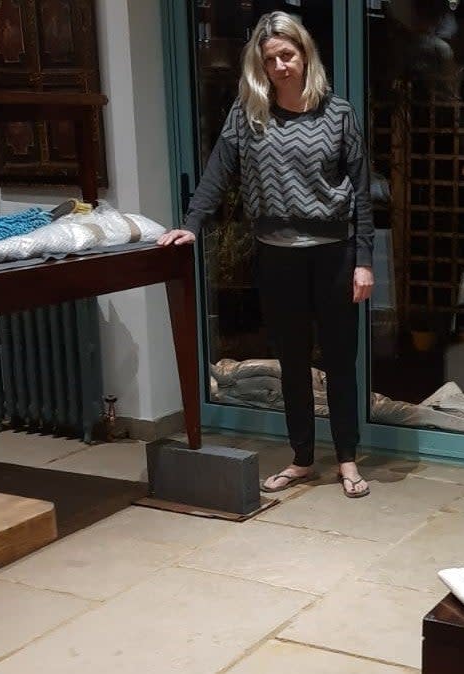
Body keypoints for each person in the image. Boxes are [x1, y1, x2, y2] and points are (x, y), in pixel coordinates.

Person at [158, 11, 374, 498]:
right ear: (259, 64)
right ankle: (301, 459)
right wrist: (191, 225)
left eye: (287, 55)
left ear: (305, 54)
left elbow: (361, 193)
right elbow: (216, 173)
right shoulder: (247, 115)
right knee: (291, 362)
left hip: (334, 254)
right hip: (276, 257)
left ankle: (346, 461)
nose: (279, 66)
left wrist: (364, 260)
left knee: (340, 361)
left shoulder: (338, 114)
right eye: (270, 58)